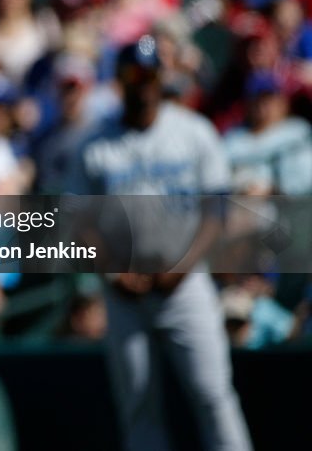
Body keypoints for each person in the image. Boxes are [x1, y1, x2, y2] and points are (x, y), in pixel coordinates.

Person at [71, 36, 252, 451]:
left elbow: (216, 213)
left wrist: (184, 264)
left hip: (186, 284)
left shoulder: (194, 131)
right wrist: (114, 272)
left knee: (213, 394)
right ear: (119, 80)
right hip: (124, 291)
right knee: (138, 404)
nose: (144, 83)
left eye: (151, 74)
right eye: (135, 74)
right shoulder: (95, 144)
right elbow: (80, 222)